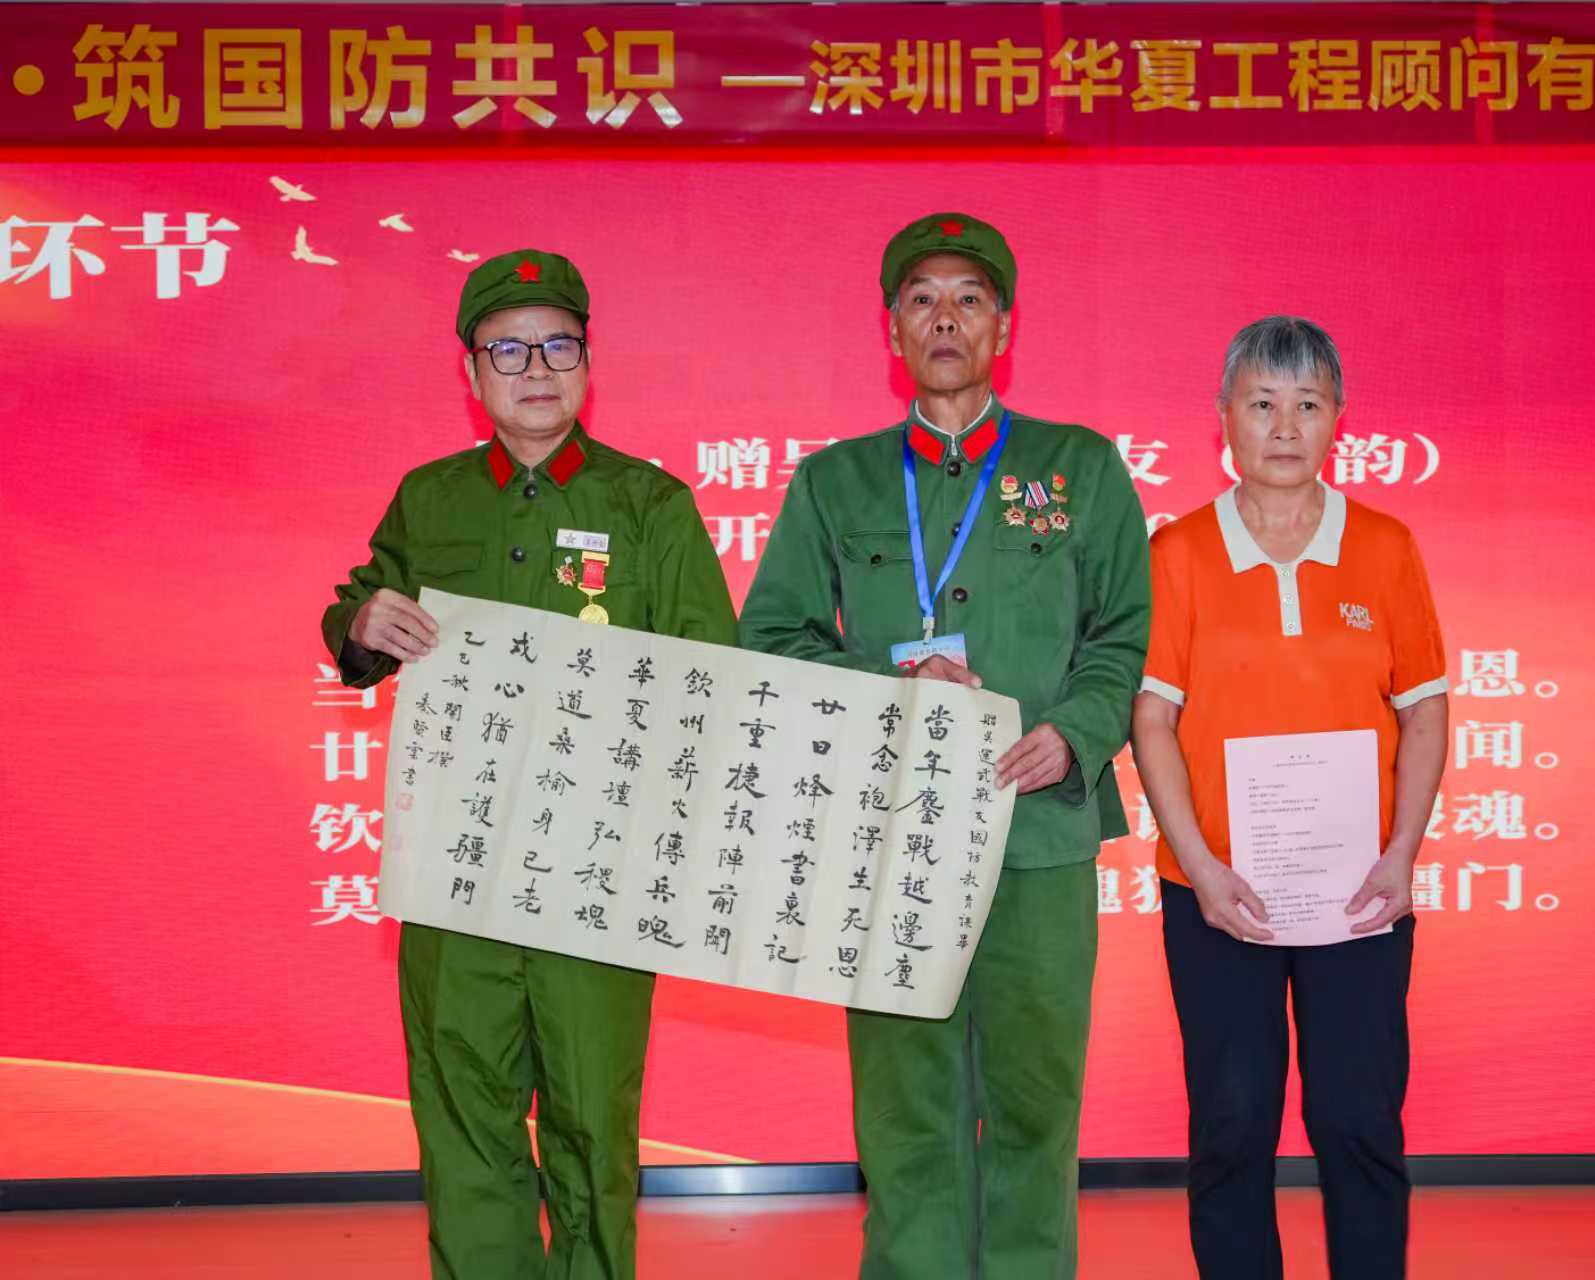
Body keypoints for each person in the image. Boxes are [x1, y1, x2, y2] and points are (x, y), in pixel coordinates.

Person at [736, 212, 1150, 1279]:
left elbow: (1122, 636)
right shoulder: (836, 483)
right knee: (906, 1107)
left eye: (969, 298)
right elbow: (772, 637)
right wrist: (892, 692)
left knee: (1035, 1106)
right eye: (922, 299)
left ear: (1003, 327)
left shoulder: (1079, 467)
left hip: (1036, 833)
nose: (946, 318)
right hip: (887, 842)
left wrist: (1073, 734)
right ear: (893, 331)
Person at [319, 249, 736, 1280]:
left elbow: (713, 678)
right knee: (465, 1119)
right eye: (508, 349)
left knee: (594, 1124)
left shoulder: (649, 504)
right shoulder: (430, 499)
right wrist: (362, 622)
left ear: (589, 361)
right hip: (455, 873)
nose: (536, 368)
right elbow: (359, 605)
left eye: (558, 344)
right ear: (472, 373)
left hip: (596, 874)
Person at [1130, 316, 1448, 1280]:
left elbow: (1425, 712)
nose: (1283, 426)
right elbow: (1152, 720)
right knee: (1231, 1127)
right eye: (1262, 403)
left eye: (1307, 404)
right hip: (1217, 895)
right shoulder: (1179, 551)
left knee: (1359, 1121)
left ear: (1338, 418)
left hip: (1359, 894)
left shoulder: (1385, 546)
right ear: (1223, 416)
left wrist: (1401, 855)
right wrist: (1202, 867)